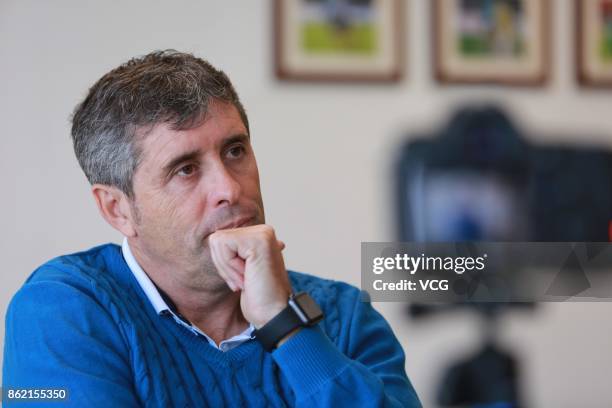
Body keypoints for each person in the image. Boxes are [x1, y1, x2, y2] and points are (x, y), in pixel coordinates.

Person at [3, 50, 421, 407]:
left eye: (235, 151)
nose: (230, 188)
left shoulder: (345, 316)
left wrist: (286, 326)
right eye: (185, 169)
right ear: (117, 209)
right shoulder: (62, 311)